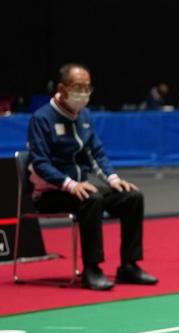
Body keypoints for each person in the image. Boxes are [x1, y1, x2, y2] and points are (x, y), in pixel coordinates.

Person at [26, 63, 158, 290]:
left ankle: (129, 265)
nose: (83, 93)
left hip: (80, 189)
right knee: (92, 198)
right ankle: (92, 269)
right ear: (62, 88)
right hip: (50, 193)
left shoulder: (84, 115)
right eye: (78, 87)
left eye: (87, 87)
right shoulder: (42, 118)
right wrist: (69, 184)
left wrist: (114, 180)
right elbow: (40, 163)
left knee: (132, 196)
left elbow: (95, 152)